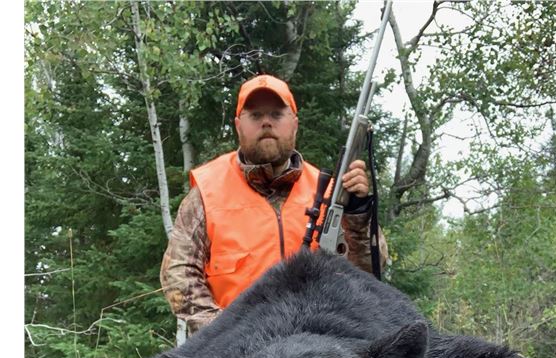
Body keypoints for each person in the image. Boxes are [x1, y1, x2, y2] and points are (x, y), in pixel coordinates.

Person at [160, 74, 388, 333]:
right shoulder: (207, 191)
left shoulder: (332, 193)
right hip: (235, 350)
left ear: (294, 124)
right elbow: (178, 277)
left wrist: (358, 213)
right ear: (238, 126)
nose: (266, 122)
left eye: (277, 115)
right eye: (255, 115)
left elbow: (370, 273)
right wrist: (226, 334)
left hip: (316, 343)